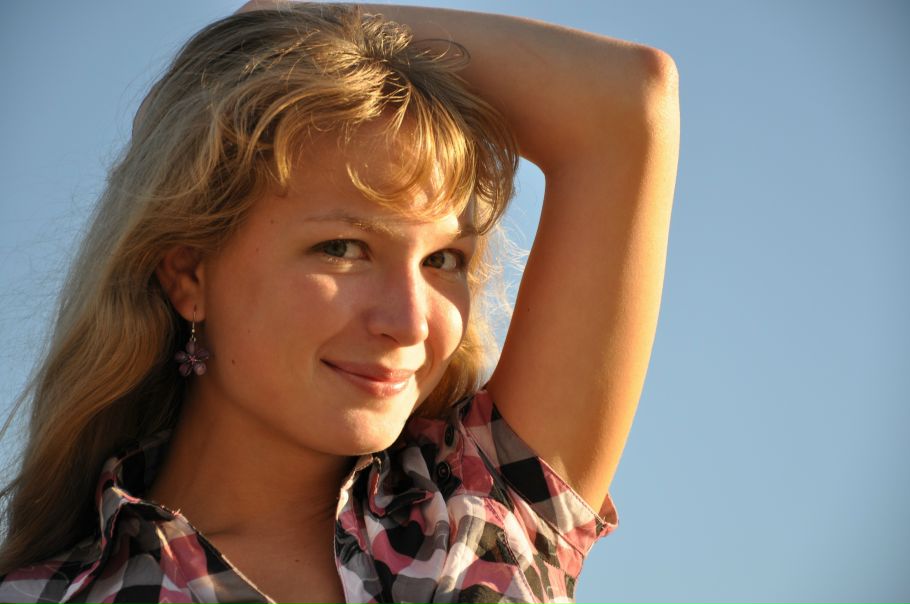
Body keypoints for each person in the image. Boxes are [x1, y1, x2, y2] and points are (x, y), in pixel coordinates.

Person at [0, 2, 679, 602]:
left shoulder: (491, 502)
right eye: (343, 248)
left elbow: (629, 98)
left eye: (444, 260)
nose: (409, 322)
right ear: (189, 276)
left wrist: (290, 19)